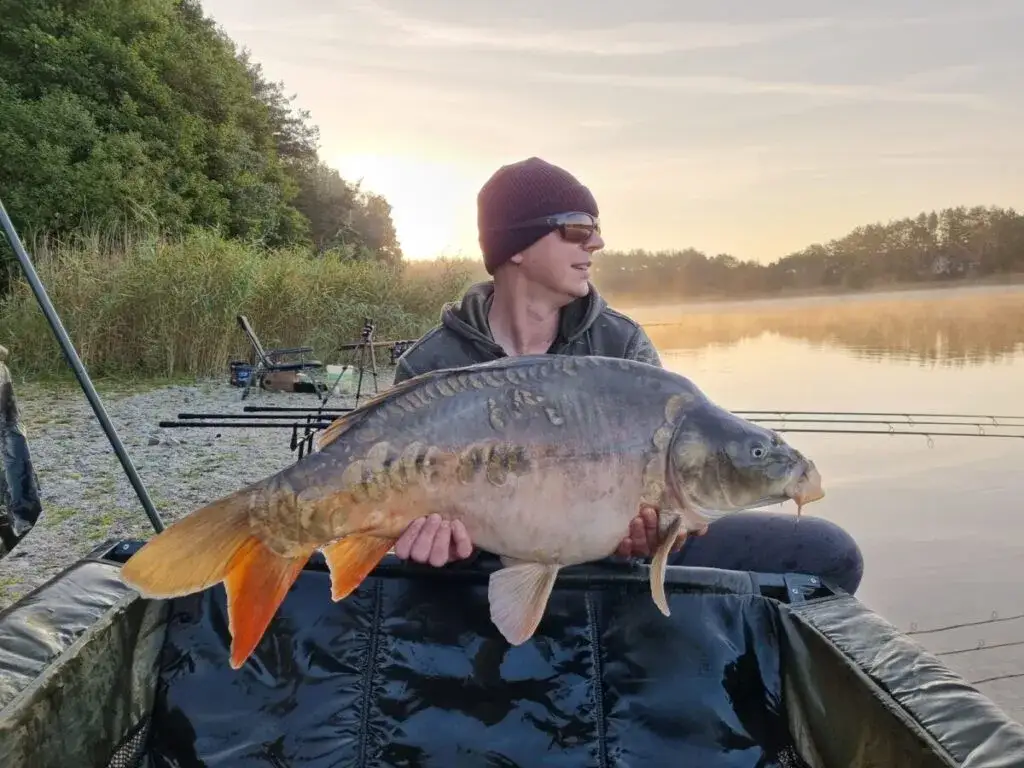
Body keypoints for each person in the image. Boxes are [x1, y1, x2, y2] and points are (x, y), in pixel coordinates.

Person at [389, 157, 864, 595]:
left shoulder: (623, 347)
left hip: (607, 560)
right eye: (577, 230)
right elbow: (392, 511)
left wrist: (657, 540)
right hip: (480, 567)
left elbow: (665, 507)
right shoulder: (432, 363)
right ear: (517, 247)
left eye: (595, 230)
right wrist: (423, 547)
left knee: (829, 552)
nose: (596, 243)